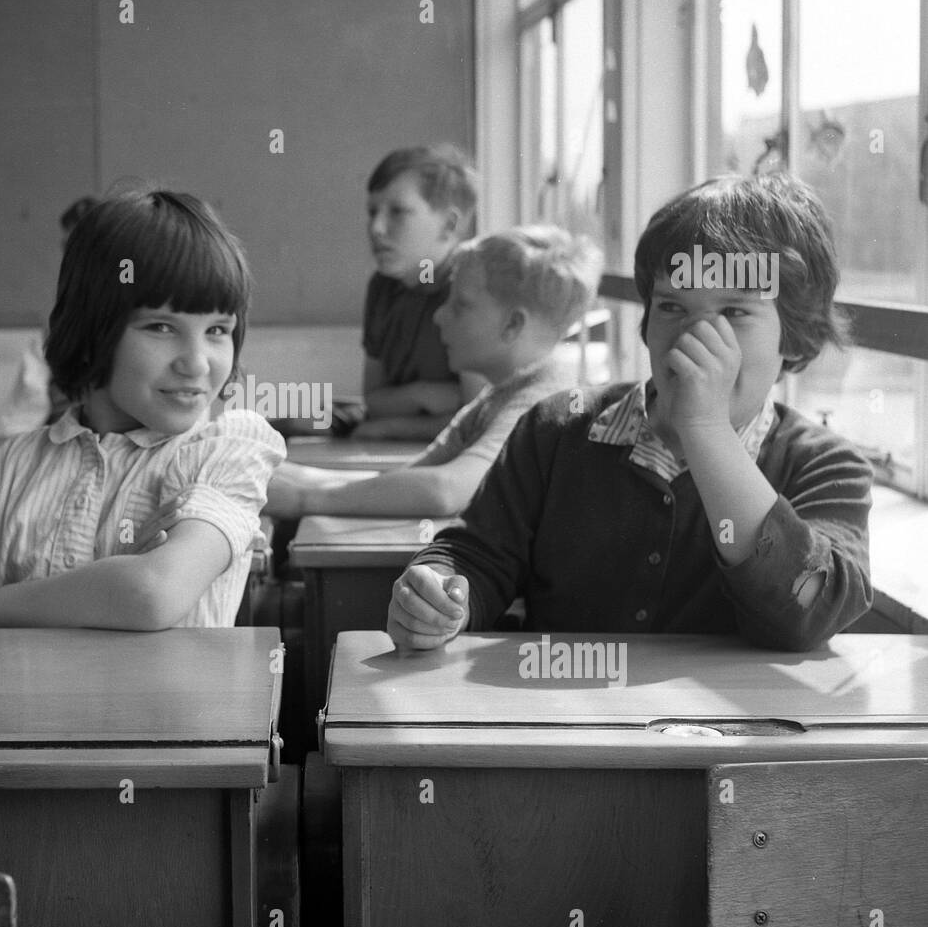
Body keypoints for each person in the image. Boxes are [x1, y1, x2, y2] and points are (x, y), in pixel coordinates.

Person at [388, 174, 872, 653]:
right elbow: (478, 553)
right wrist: (441, 592)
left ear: (793, 335)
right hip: (565, 720)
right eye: (672, 307)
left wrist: (705, 428)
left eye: (734, 312)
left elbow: (810, 608)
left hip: (738, 730)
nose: (695, 338)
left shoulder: (826, 465)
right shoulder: (557, 429)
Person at [0, 188, 285, 630]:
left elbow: (151, 594)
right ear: (93, 328)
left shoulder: (222, 454)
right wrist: (109, 585)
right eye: (161, 327)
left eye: (218, 330)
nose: (197, 362)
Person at [264, 226, 601, 518]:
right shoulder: (499, 394)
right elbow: (411, 476)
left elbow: (446, 491)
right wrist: (266, 470)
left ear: (513, 324)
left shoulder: (542, 402)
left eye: (460, 305)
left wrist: (303, 499)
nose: (439, 316)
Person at [351, 144, 484, 441]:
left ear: (449, 225)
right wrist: (423, 394)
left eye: (397, 212)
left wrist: (389, 425)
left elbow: (476, 420)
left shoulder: (474, 289)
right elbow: (373, 399)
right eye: (372, 212)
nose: (376, 228)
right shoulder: (383, 287)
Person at [1, 196, 96, 434]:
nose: (75, 257)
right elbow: (26, 412)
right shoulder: (57, 325)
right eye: (68, 247)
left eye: (83, 246)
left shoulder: (140, 316)